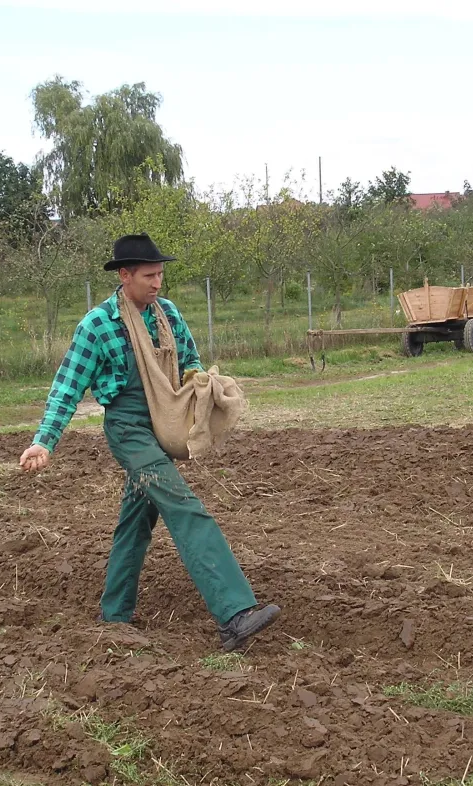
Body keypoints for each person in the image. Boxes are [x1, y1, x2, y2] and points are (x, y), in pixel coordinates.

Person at [18, 234, 281, 652]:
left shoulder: (167, 314)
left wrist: (197, 380)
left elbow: (189, 357)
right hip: (128, 429)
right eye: (149, 276)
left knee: (136, 521)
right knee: (183, 506)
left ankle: (114, 613)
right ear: (125, 276)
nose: (158, 283)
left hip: (162, 422)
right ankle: (234, 614)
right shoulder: (97, 326)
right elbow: (66, 389)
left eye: (160, 274)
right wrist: (44, 442)